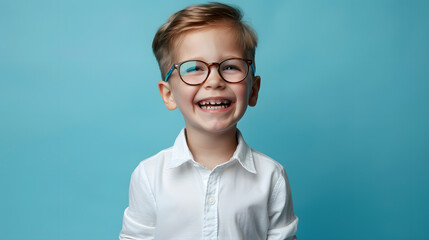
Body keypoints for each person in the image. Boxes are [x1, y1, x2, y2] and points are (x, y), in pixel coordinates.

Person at [119, 2, 298, 239]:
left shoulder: (271, 176)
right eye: (194, 68)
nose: (214, 81)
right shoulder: (149, 176)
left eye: (231, 66)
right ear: (169, 94)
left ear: (253, 90)